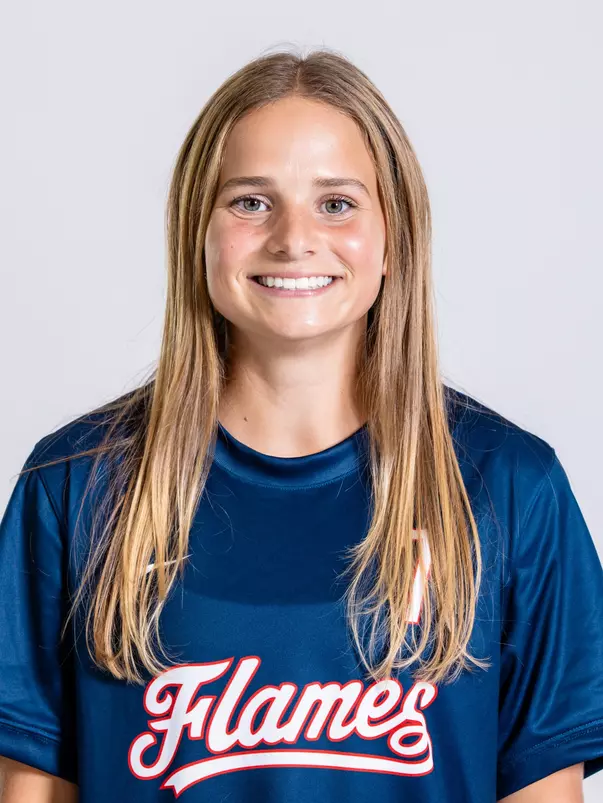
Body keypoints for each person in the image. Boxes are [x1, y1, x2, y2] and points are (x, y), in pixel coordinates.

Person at [0, 47, 601, 803]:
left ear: (394, 236)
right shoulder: (76, 484)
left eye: (336, 202)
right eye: (251, 201)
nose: (293, 237)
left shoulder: (508, 487)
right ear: (198, 231)